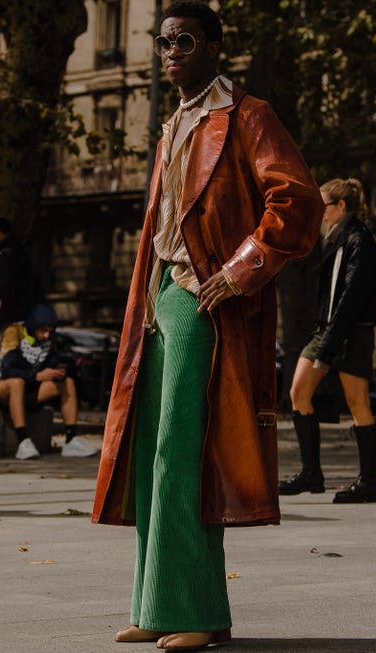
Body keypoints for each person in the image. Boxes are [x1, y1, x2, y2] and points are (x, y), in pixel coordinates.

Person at [91, 2, 322, 650]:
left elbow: (298, 199)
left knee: (183, 452)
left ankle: (191, 608)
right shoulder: (173, 125)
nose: (171, 54)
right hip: (161, 295)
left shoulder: (247, 115)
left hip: (204, 302)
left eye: (185, 41)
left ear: (216, 47)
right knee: (150, 451)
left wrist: (242, 267)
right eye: (163, 42)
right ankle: (161, 603)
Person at [279, 178, 376, 503]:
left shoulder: (357, 239)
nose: (319, 212)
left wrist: (329, 345)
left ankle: (370, 482)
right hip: (327, 329)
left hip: (350, 332)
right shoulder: (335, 238)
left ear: (340, 206)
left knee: (358, 404)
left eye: (322, 205)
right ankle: (311, 474)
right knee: (299, 392)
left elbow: (351, 297)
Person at [0, 303, 97, 459]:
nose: (47, 335)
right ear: (34, 325)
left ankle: (70, 439)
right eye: (43, 330)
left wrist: (58, 371)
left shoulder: (47, 341)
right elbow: (7, 370)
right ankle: (23, 441)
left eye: (50, 331)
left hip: (27, 390)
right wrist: (37, 377)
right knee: (17, 382)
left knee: (67, 383)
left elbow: (52, 362)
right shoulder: (14, 333)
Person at [0, 217, 38, 323]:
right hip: (22, 306)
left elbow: (5, 282)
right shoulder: (19, 249)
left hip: (11, 308)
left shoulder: (6, 253)